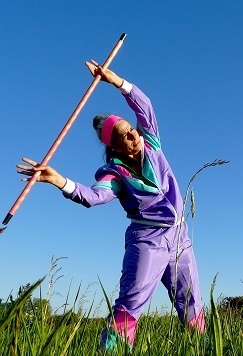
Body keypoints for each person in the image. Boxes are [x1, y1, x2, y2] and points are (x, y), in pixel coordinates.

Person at [16, 60, 205, 350]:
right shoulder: (114, 174)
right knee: (129, 307)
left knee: (192, 305)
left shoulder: (152, 145)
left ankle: (201, 347)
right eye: (125, 137)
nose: (134, 137)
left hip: (180, 238)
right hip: (147, 242)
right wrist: (59, 181)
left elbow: (146, 107)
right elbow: (94, 196)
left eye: (133, 131)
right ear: (115, 147)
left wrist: (117, 82)